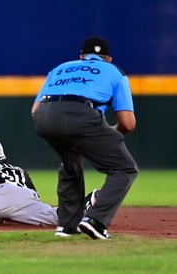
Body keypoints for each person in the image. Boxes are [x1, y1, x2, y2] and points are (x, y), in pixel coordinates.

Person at [31, 36, 139, 240]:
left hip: (45, 117)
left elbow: (34, 110)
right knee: (124, 168)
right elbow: (128, 123)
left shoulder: (60, 68)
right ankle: (95, 221)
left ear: (81, 57)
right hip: (81, 113)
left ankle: (66, 225)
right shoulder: (114, 71)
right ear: (108, 59)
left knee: (70, 164)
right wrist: (105, 137)